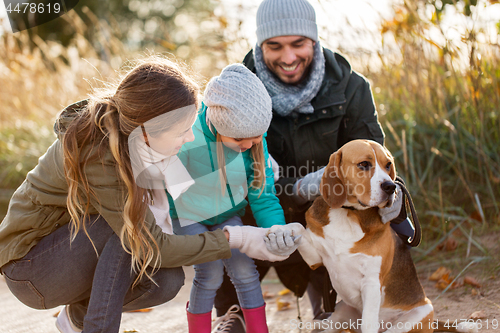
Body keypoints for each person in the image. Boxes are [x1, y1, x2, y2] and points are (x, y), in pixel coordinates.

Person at [0, 56, 299, 333]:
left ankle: (77, 318)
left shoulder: (143, 142)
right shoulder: (100, 153)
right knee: (130, 225)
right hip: (30, 269)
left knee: (165, 280)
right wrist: (240, 238)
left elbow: (164, 238)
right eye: (183, 129)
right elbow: (148, 238)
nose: (191, 136)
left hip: (69, 250)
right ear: (148, 130)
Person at [213, 0, 414, 331]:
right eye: (274, 46)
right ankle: (232, 311)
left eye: (298, 44)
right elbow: (223, 166)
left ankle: (331, 298)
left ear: (315, 41)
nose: (288, 58)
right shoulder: (235, 88)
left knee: (363, 221)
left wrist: (394, 196)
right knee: (225, 207)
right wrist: (294, 189)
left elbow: (376, 161)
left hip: (329, 211)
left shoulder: (352, 88)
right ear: (259, 45)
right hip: (258, 205)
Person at [169, 63, 299, 333]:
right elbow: (168, 188)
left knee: (244, 270)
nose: (249, 145)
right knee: (210, 273)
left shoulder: (253, 142)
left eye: (256, 138)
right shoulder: (188, 136)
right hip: (189, 214)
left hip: (227, 216)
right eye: (240, 138)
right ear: (218, 124)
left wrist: (276, 229)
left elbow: (262, 196)